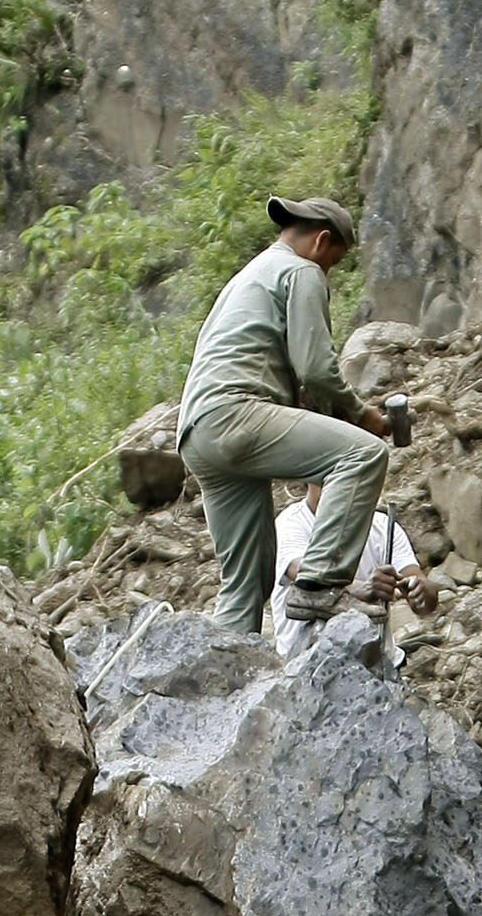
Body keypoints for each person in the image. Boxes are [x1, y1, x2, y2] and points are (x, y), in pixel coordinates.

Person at [175, 195, 395, 634]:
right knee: (364, 456)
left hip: (198, 434)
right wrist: (360, 414)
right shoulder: (302, 271)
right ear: (322, 241)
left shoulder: (250, 275)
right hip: (238, 413)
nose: (327, 271)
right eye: (333, 262)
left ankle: (221, 675)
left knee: (246, 581)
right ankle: (319, 584)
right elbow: (315, 368)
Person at [270, 479, 439, 659]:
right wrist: (360, 588)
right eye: (326, 478)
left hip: (378, 666)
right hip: (307, 666)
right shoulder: (290, 524)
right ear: (308, 477)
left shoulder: (381, 526)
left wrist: (419, 590)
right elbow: (305, 574)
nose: (337, 486)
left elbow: (421, 593)